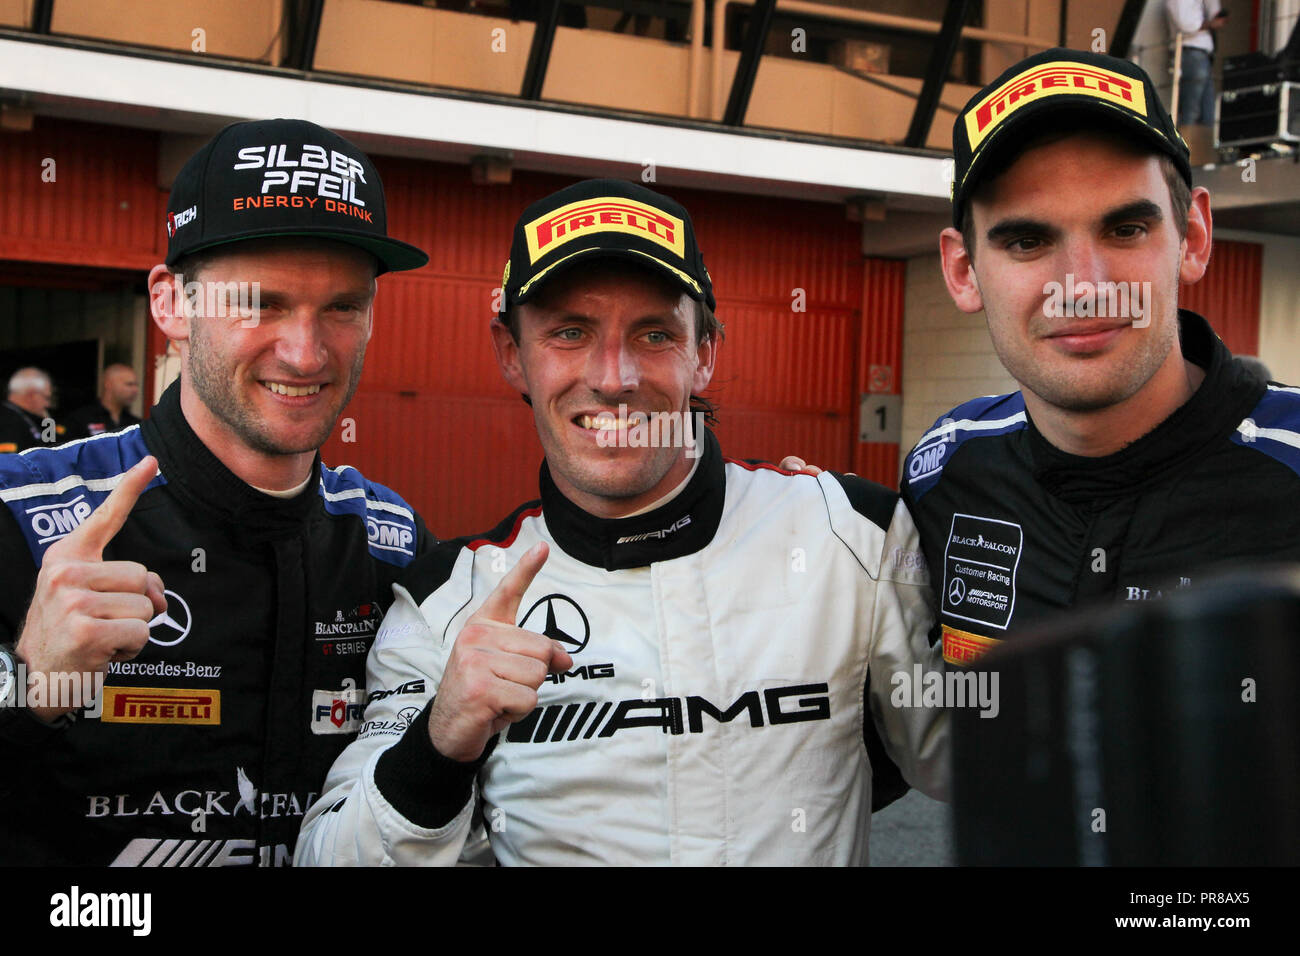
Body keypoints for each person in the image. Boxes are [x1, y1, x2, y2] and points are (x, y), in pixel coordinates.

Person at [296, 179, 949, 867]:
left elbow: (967, 762)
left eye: (655, 333)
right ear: (513, 354)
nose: (613, 377)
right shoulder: (446, 602)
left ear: (706, 353)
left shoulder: (851, 536)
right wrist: (438, 744)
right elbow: (329, 858)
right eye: (570, 333)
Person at [0, 118, 434, 866]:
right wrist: (29, 690)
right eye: (259, 302)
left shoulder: (390, 538)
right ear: (171, 304)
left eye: (342, 306)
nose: (305, 352)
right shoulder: (23, 513)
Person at [899, 48, 1300, 667]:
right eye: (1028, 241)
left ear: (1192, 238)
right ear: (963, 271)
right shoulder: (946, 471)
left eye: (1125, 230)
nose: (1083, 286)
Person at [1166, 0, 1227, 126]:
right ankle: (1186, 143)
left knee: (1207, 111)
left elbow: (1213, 9)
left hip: (1201, 55)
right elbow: (1185, 24)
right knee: (1192, 110)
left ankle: (1202, 143)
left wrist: (1215, 16)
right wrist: (1211, 24)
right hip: (1191, 53)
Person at [63, 363, 142, 440]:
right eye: (129, 384)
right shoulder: (80, 419)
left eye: (136, 385)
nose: (135, 390)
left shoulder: (135, 424)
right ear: (108, 384)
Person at [0, 367, 63, 452]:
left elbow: (52, 448)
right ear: (32, 395)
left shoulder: (23, 417)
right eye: (47, 398)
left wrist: (49, 422)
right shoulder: (9, 422)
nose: (48, 405)